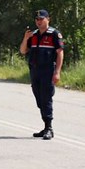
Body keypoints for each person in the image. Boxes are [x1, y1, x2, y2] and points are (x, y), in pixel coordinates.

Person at [19, 9, 64, 140]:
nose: (39, 22)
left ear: (48, 19)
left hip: (48, 71)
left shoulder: (54, 34)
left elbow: (60, 53)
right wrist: (25, 38)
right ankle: (45, 127)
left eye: (41, 19)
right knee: (39, 99)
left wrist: (57, 72)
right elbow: (23, 51)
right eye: (37, 19)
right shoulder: (32, 35)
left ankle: (49, 128)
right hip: (35, 71)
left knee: (46, 98)